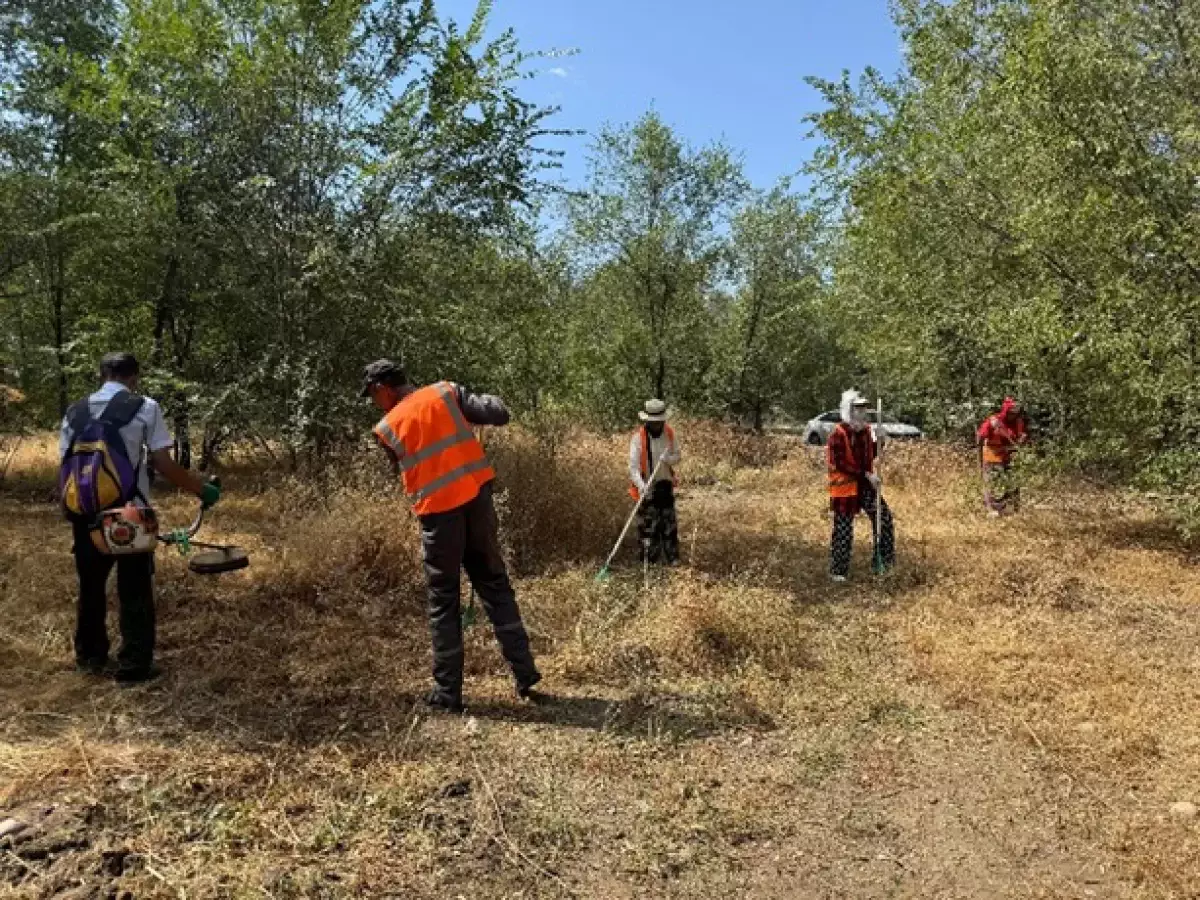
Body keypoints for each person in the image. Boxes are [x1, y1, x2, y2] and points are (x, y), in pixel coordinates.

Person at [362, 359, 541, 712]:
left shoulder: (386, 428)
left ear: (383, 389)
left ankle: (448, 694)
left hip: (439, 519)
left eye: (372, 394)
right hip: (477, 503)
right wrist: (470, 411)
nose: (373, 402)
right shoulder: (447, 392)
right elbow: (499, 412)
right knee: (495, 584)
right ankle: (525, 673)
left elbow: (406, 462)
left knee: (443, 601)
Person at [59, 352, 220, 684]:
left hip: (85, 514)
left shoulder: (74, 411)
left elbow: (65, 467)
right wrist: (199, 489)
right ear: (133, 378)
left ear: (102, 376)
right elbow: (162, 462)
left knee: (91, 587)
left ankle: (90, 658)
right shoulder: (144, 406)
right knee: (134, 588)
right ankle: (134, 667)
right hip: (131, 513)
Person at [826, 389, 895, 582]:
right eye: (858, 409)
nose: (862, 412)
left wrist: (880, 441)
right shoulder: (837, 434)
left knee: (884, 518)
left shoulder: (866, 432)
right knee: (843, 528)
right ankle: (838, 571)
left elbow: (870, 455)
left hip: (865, 485)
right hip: (845, 487)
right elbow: (840, 463)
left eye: (864, 408)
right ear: (849, 411)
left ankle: (884, 562)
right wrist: (866, 474)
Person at [628, 399, 682, 565]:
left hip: (664, 484)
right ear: (648, 421)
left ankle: (672, 558)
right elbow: (633, 469)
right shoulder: (638, 439)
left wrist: (668, 459)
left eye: (660, 421)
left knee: (669, 523)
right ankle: (649, 560)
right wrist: (642, 486)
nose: (658, 425)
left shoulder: (670, 434)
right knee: (648, 525)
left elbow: (677, 456)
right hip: (646, 486)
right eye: (654, 422)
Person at [977, 397, 1029, 516]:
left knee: (1013, 482)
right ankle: (990, 510)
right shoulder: (993, 421)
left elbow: (1023, 436)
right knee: (990, 483)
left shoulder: (1019, 422)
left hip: (1010, 456)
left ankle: (1014, 509)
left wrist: (1022, 440)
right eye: (1011, 413)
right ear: (1006, 410)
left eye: (1015, 413)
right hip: (992, 456)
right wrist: (979, 455)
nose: (1013, 415)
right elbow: (980, 436)